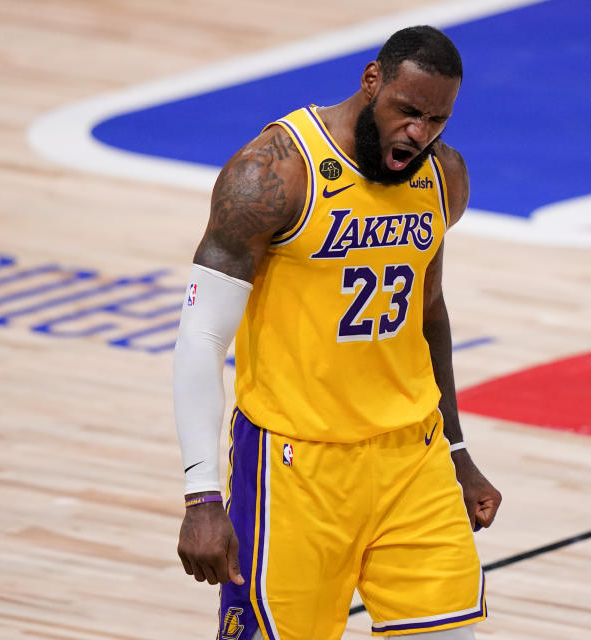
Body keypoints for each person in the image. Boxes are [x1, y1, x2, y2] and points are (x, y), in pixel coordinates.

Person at [172, 25, 502, 640]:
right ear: (371, 80)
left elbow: (428, 315)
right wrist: (201, 496)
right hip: (295, 468)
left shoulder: (442, 177)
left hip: (413, 458)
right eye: (408, 111)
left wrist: (457, 452)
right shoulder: (272, 174)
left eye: (437, 120)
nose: (419, 133)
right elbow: (201, 340)